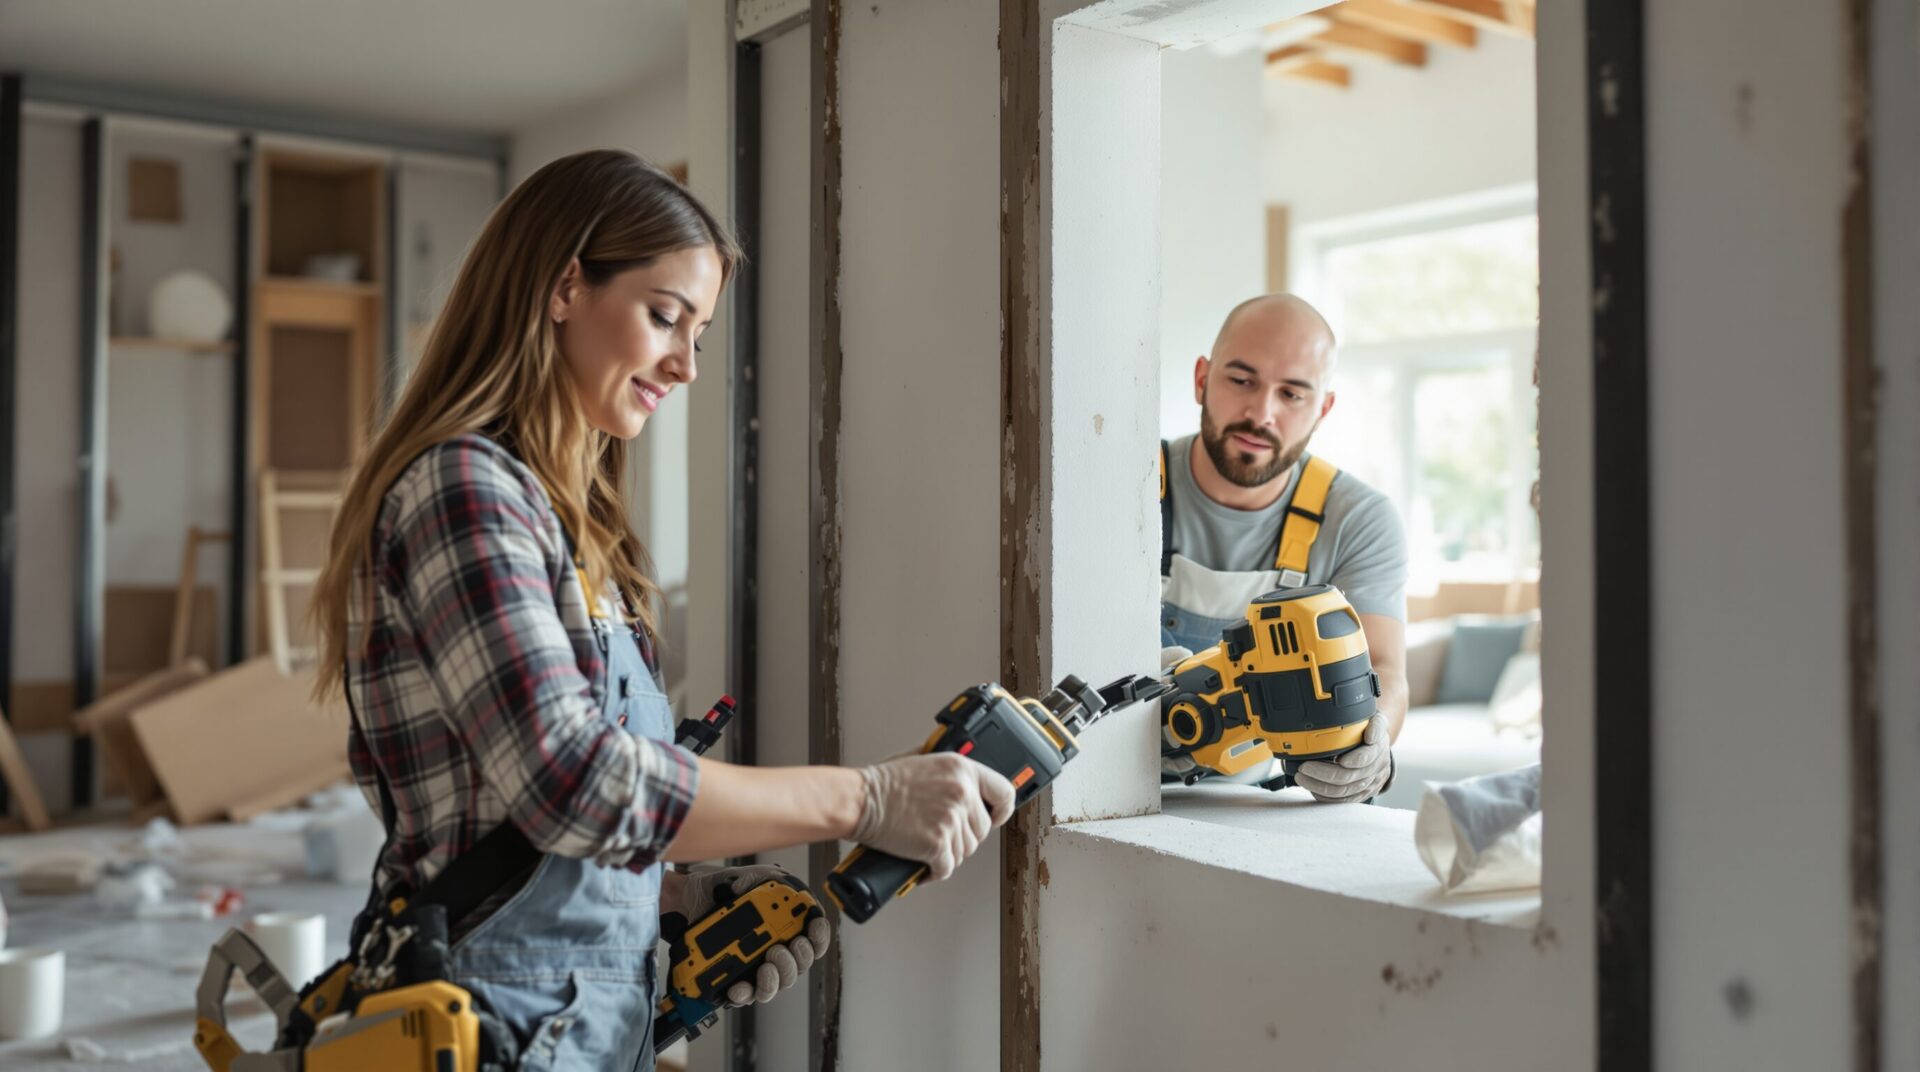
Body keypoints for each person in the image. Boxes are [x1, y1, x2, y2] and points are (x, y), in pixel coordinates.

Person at [310, 150, 1013, 1070]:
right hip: (487, 1024)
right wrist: (869, 799)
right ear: (565, 286)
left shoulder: (570, 528)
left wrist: (666, 901)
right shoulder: (464, 488)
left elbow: (517, 823)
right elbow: (572, 782)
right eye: (665, 316)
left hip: (570, 1025)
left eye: (700, 333)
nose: (686, 365)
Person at [1159, 294, 1409, 804]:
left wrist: (1373, 741)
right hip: (1116, 788)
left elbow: (1385, 668)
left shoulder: (1359, 519)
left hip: (1269, 802)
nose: (1261, 414)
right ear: (1202, 379)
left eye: (1292, 394)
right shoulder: (1129, 483)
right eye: (1241, 380)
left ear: (1323, 409)